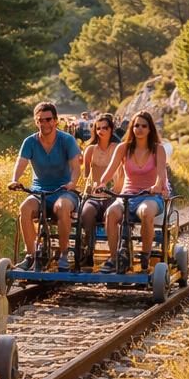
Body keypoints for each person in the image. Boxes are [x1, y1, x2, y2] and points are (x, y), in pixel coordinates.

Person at [8, 101, 82, 271]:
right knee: (25, 208)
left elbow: (76, 168)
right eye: (40, 120)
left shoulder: (66, 140)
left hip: (63, 191)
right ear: (36, 122)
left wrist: (72, 183)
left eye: (48, 119)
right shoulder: (30, 142)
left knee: (62, 207)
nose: (45, 123)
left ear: (55, 121)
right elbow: (21, 162)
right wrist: (14, 179)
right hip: (39, 191)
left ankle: (64, 254)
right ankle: (32, 255)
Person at [97, 110, 168, 272]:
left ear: (150, 129)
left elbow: (161, 173)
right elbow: (110, 170)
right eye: (136, 125)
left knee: (145, 212)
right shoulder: (123, 148)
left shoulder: (158, 149)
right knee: (111, 213)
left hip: (150, 195)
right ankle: (114, 257)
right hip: (127, 195)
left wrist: (157, 186)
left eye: (144, 126)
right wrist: (101, 183)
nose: (140, 129)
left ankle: (145, 255)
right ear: (131, 128)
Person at [76, 113, 121, 267]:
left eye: (105, 128)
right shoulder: (90, 150)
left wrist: (116, 190)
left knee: (114, 215)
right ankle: (88, 250)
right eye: (98, 128)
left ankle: (115, 253)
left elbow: (122, 174)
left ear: (111, 129)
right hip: (95, 195)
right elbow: (86, 175)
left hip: (113, 194)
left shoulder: (118, 149)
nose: (101, 131)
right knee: (86, 213)